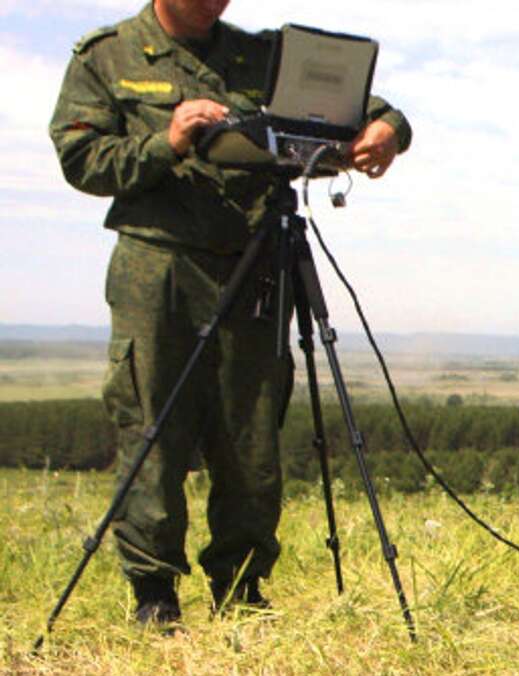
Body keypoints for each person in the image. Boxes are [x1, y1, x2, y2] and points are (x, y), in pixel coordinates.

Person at [50, 0, 410, 625]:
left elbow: (363, 104)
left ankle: (241, 587)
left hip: (255, 264)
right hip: (157, 267)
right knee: (152, 423)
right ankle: (154, 593)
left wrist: (390, 131)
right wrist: (165, 141)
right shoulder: (106, 55)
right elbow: (82, 161)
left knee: (252, 429)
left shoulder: (261, 55)